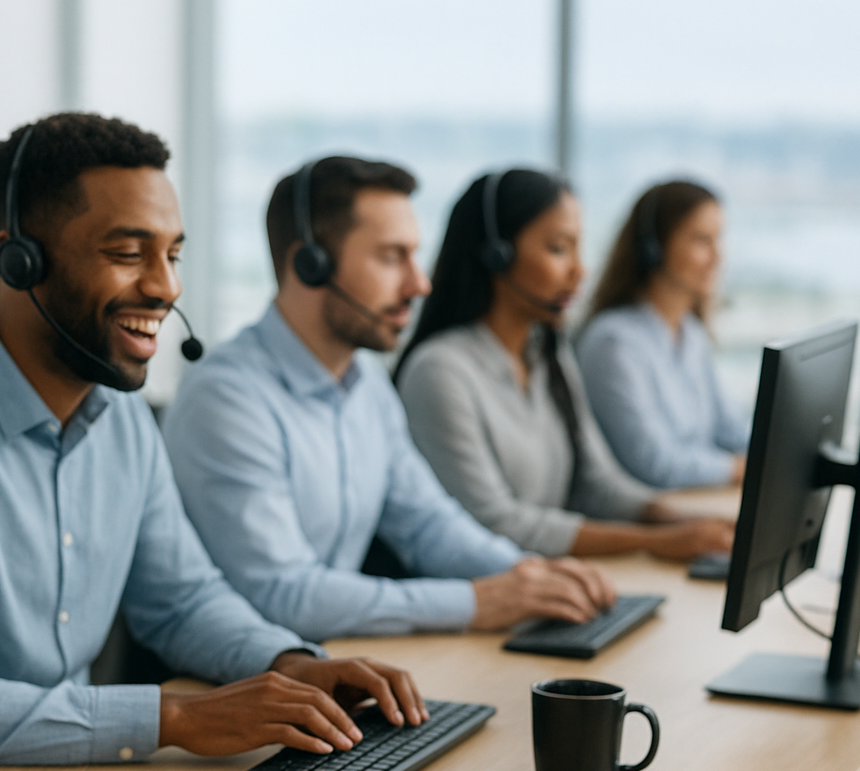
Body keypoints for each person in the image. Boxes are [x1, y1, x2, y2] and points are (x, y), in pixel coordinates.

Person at [0, 114, 425, 771]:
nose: (165, 287)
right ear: (18, 260)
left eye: (172, 255)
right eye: (128, 254)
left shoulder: (120, 419)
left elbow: (182, 600)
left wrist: (292, 665)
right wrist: (177, 717)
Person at [162, 157, 615, 643]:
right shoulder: (228, 399)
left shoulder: (367, 386)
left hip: (334, 664)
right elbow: (281, 595)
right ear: (308, 265)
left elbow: (427, 524)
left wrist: (530, 574)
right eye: (391, 257)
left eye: (414, 257)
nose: (419, 284)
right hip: (238, 684)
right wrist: (476, 602)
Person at [394, 168, 734, 560]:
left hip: (548, 580)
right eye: (558, 249)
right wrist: (652, 543)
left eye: (578, 248)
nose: (579, 270)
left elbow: (596, 484)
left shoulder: (546, 354)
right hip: (489, 601)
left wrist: (684, 520)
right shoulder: (439, 372)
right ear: (496, 254)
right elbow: (494, 523)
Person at [575, 180, 750, 489]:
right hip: (648, 517)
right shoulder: (613, 343)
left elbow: (729, 428)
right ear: (653, 247)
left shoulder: (691, 334)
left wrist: (780, 453)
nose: (717, 256)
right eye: (701, 240)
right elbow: (653, 463)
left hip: (690, 501)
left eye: (718, 239)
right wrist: (737, 468)